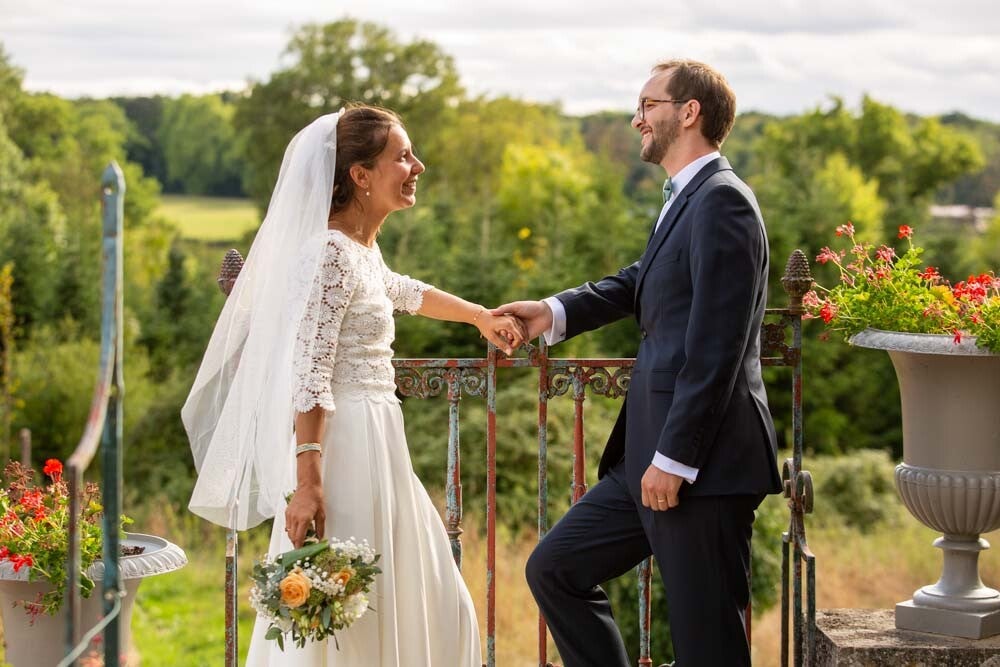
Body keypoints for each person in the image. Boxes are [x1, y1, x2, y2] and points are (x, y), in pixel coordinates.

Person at [183, 105, 523, 665]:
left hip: (379, 439)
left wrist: (480, 315)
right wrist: (309, 483)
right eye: (403, 156)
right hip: (345, 448)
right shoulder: (329, 254)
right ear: (361, 175)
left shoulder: (357, 249)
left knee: (430, 597)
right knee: (357, 612)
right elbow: (310, 372)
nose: (418, 165)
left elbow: (401, 289)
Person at [494, 60, 782, 666]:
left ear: (689, 112)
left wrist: (676, 459)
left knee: (709, 645)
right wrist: (554, 311)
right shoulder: (689, 196)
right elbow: (643, 282)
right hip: (647, 458)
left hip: (700, 465)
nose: (636, 118)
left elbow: (717, 347)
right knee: (556, 570)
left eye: (648, 104)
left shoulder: (723, 202)